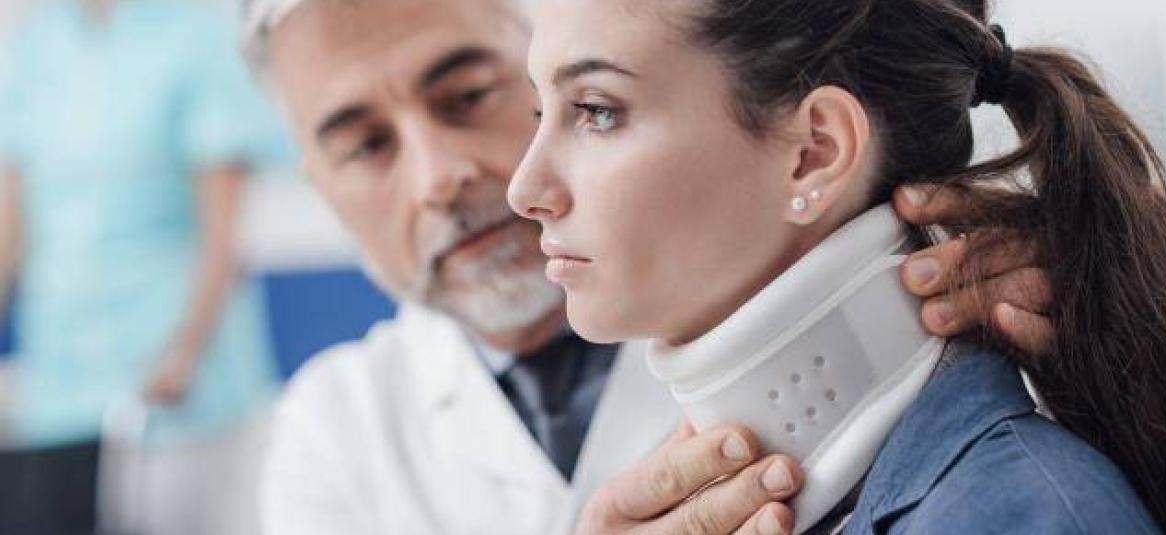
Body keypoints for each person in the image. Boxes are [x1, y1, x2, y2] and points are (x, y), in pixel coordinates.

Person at [245, 0, 1056, 533]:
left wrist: (1095, 317)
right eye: (366, 146)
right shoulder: (333, 436)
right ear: (319, 186)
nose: (439, 178)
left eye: (468, 95)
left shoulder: (1006, 439)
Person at [508, 0, 1166, 533]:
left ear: (816, 151)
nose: (525, 189)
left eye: (596, 112)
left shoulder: (1019, 513)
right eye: (541, 112)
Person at [0, 0, 280, 532]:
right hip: (60, 379)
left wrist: (185, 351)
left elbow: (223, 235)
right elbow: (9, 227)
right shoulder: (37, 44)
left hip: (174, 386)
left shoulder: (195, 37)